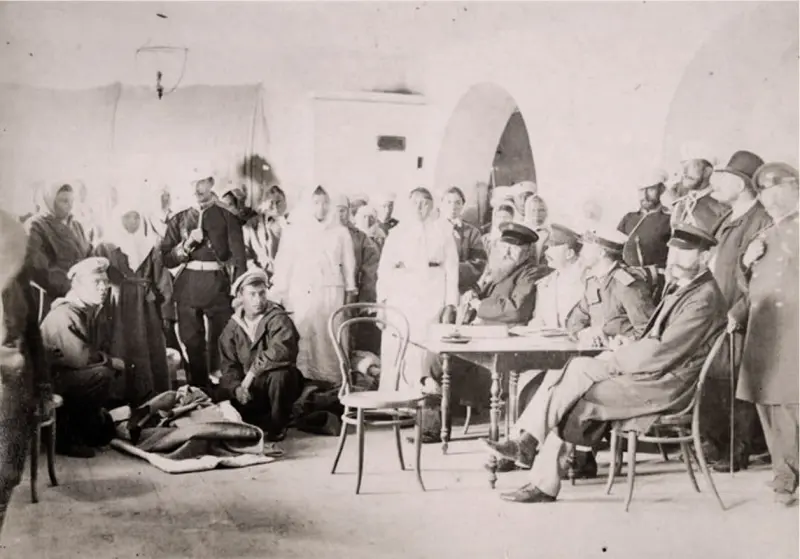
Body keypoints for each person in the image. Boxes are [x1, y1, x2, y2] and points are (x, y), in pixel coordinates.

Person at [486, 224, 727, 503]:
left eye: (685, 255)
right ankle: (527, 443)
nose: (674, 261)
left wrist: (617, 356)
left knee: (572, 395)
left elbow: (664, 352)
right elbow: (653, 339)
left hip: (666, 383)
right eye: (673, 253)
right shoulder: (686, 286)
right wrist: (628, 346)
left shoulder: (704, 297)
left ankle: (540, 475)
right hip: (651, 370)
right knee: (573, 370)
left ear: (705, 258)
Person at [730, 162, 799, 506]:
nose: (767, 198)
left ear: (793, 187)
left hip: (793, 335)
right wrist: (745, 262)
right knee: (767, 406)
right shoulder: (766, 233)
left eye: (774, 190)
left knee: (790, 407)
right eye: (763, 192)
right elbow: (748, 286)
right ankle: (782, 475)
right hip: (763, 334)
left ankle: (788, 479)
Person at [704, 150, 773, 471]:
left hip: (738, 314)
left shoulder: (760, 220)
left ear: (743, 185)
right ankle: (721, 446)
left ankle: (737, 451)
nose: (716, 183)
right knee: (720, 379)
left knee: (737, 382)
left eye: (725, 177)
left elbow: (763, 277)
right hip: (717, 312)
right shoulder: (728, 217)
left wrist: (740, 311)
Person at [160, 167, 247, 392]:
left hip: (217, 286)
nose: (197, 189)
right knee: (191, 342)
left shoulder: (227, 215)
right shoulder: (179, 218)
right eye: (192, 183)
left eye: (201, 182)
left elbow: (239, 258)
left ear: (210, 183)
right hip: (187, 286)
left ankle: (225, 390)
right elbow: (167, 259)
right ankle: (199, 389)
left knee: (223, 342)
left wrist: (238, 293)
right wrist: (187, 244)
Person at [270, 186, 357, 386]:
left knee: (328, 339)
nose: (322, 207)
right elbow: (284, 263)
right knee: (302, 336)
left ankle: (332, 385)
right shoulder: (294, 231)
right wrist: (279, 293)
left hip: (331, 294)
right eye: (316, 202)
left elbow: (349, 264)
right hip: (302, 293)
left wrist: (350, 291)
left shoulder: (341, 232)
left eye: (326, 202)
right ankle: (301, 385)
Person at [376, 187, 458, 392]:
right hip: (403, 296)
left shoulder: (444, 232)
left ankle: (422, 399)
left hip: (433, 294)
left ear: (432, 205)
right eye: (416, 202)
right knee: (399, 344)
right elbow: (384, 271)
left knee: (426, 347)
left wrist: (450, 304)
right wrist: (382, 304)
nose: (421, 207)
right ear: (408, 205)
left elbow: (452, 270)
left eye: (425, 202)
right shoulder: (396, 233)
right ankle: (393, 401)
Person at [40, 257, 122, 458]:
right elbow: (79, 359)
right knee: (102, 375)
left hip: (63, 376)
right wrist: (110, 361)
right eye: (96, 283)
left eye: (105, 281)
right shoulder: (65, 314)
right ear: (77, 286)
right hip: (47, 383)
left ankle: (87, 429)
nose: (103, 287)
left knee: (105, 429)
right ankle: (65, 438)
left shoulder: (85, 310)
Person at [93, 201, 174, 403]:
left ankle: (149, 395)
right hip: (119, 304)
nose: (132, 222)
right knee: (120, 344)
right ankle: (120, 397)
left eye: (136, 217)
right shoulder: (106, 246)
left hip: (146, 306)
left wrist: (166, 312)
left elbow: (163, 280)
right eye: (127, 217)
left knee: (147, 347)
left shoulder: (151, 245)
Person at [0, 210, 48, 534]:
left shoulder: (18, 282)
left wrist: (43, 387)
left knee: (6, 475)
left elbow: (34, 335)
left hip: (13, 388)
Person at [216, 269, 305, 442]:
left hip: (276, 386)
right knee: (222, 395)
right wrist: (237, 389)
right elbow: (229, 367)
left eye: (262, 293)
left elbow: (280, 352)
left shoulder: (278, 318)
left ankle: (278, 426)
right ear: (241, 296)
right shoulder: (232, 329)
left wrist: (250, 376)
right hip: (250, 390)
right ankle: (256, 420)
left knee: (280, 375)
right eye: (252, 295)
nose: (258, 300)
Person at [566, 229, 656, 347]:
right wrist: (585, 333)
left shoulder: (626, 284)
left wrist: (620, 342)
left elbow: (648, 331)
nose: (581, 252)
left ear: (601, 253)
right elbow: (574, 322)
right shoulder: (592, 281)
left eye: (587, 247)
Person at [463, 223, 549, 325]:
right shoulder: (501, 269)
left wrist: (478, 305)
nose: (506, 253)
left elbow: (516, 310)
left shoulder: (530, 273)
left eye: (514, 249)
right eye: (504, 247)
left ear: (527, 253)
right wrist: (473, 295)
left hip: (509, 335)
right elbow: (486, 294)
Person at [25, 181, 93, 305]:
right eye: (64, 201)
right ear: (50, 201)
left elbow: (88, 255)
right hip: (55, 297)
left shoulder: (76, 226)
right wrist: (72, 288)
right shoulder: (36, 226)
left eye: (72, 201)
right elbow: (40, 268)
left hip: (83, 293)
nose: (70, 206)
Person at [528, 224, 586, 330]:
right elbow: (539, 319)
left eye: (552, 247)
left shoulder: (588, 282)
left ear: (569, 253)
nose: (546, 252)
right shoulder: (545, 284)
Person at [617, 171, 671, 268]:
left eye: (651, 189)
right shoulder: (629, 218)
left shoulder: (669, 219)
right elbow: (615, 249)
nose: (645, 196)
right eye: (641, 190)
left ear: (662, 189)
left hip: (656, 280)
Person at [440, 186, 488, 294]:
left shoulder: (472, 232)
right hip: (436, 285)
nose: (453, 207)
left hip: (462, 288)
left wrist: (452, 271)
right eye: (448, 202)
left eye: (457, 203)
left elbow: (479, 263)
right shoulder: (433, 230)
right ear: (441, 204)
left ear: (462, 205)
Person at [667, 159, 730, 233]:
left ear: (707, 171)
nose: (685, 171)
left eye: (692, 165)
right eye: (684, 165)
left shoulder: (721, 205)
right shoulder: (680, 204)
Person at [243, 186, 287, 278]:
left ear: (285, 203)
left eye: (278, 202)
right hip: (261, 276)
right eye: (271, 202)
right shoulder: (251, 225)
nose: (275, 206)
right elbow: (245, 254)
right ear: (264, 204)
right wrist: (258, 273)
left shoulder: (292, 225)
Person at [523, 195, 551, 264]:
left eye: (541, 210)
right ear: (527, 212)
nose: (537, 214)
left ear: (547, 212)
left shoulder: (551, 234)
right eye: (533, 210)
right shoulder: (522, 233)